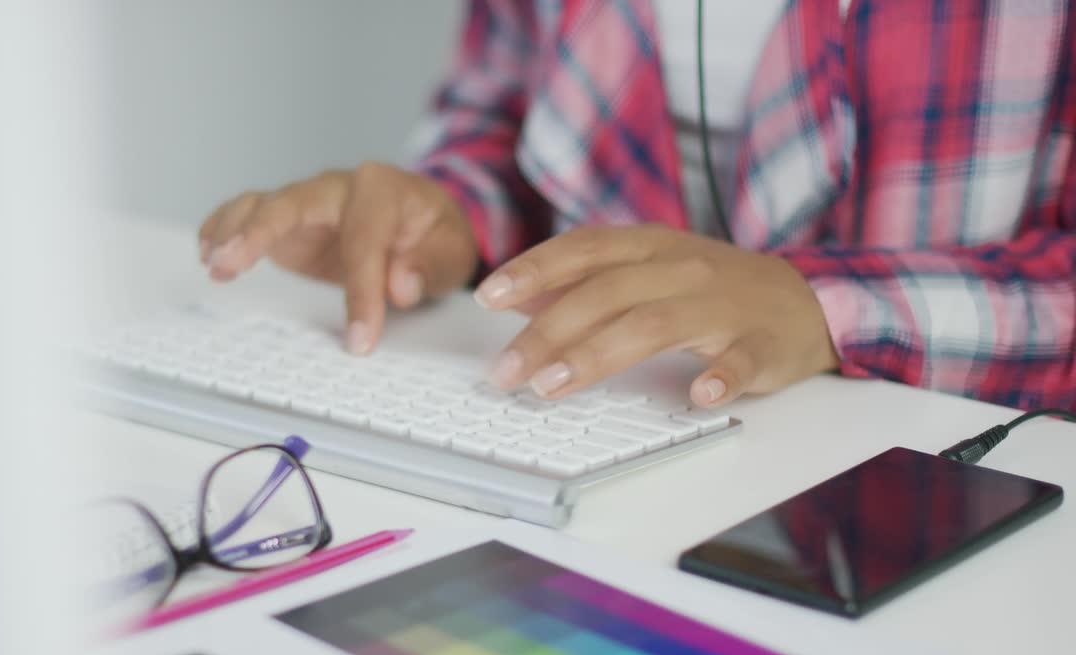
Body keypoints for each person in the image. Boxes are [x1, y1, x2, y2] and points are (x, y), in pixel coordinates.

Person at [198, 0, 1076, 412]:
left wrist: (825, 306)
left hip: (948, 472)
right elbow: (504, 112)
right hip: (635, 424)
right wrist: (451, 221)